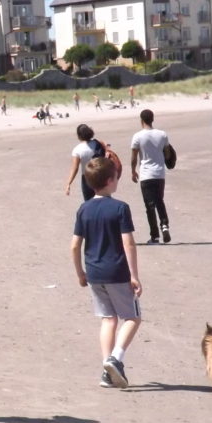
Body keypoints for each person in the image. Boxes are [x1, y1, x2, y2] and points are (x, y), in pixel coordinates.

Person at [71, 156, 142, 389]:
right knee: (132, 317)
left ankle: (106, 370)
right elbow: (128, 243)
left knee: (108, 319)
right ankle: (115, 358)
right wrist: (134, 275)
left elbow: (74, 245)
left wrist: (80, 272)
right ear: (111, 180)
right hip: (117, 272)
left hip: (94, 272)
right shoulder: (120, 208)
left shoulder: (84, 209)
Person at [130, 108, 172, 244]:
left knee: (150, 206)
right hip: (159, 174)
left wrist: (133, 171)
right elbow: (168, 154)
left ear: (141, 120)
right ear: (153, 119)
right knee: (160, 201)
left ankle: (155, 236)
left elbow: (134, 157)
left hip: (146, 175)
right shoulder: (162, 135)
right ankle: (164, 226)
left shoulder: (137, 136)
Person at [65, 124, 106, 202]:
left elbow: (75, 168)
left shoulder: (77, 150)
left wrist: (69, 183)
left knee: (89, 202)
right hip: (101, 176)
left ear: (79, 136)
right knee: (103, 201)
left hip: (87, 178)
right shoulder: (98, 143)